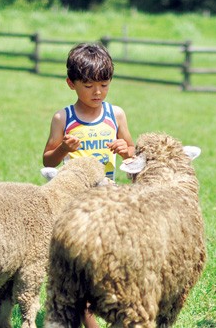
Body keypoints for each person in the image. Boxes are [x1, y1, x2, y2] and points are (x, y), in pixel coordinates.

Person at [43, 42, 135, 328]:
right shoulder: (63, 118)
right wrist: (63, 150)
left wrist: (124, 148)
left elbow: (132, 149)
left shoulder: (115, 114)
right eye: (88, 85)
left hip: (108, 200)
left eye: (104, 85)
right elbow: (48, 160)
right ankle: (87, 317)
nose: (97, 92)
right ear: (71, 83)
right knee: (80, 266)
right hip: (74, 205)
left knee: (110, 260)